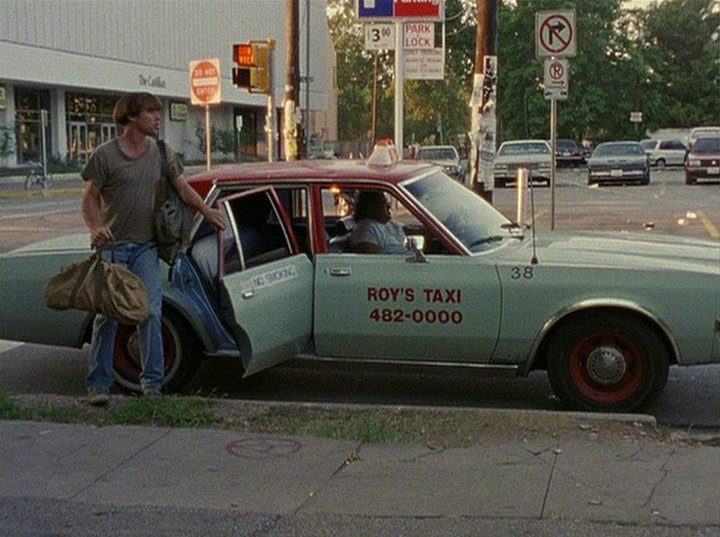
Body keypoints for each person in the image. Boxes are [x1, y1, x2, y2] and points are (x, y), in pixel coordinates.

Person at [81, 92, 225, 405]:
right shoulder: (106, 156)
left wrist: (207, 211)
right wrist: (95, 228)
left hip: (146, 248)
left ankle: (152, 386)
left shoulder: (162, 152)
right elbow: (90, 197)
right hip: (114, 250)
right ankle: (98, 386)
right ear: (131, 116)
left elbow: (183, 188)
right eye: (151, 112)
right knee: (108, 316)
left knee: (151, 312)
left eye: (158, 112)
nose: (158, 117)